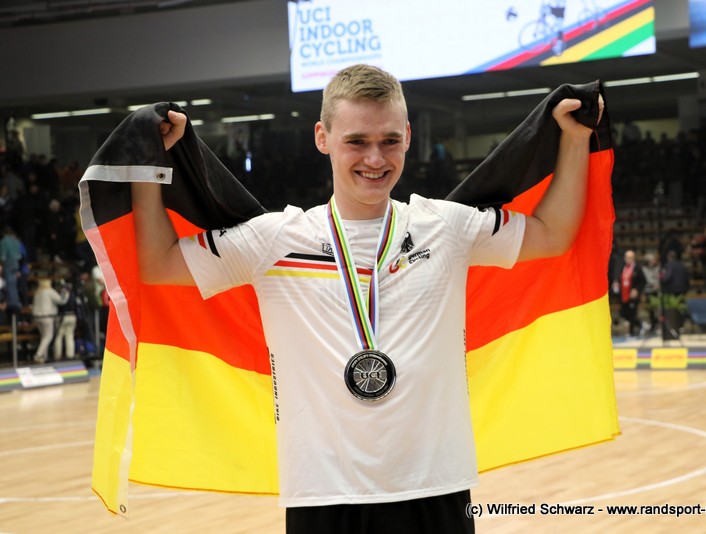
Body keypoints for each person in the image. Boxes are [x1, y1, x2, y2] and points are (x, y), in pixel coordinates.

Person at [131, 64, 602, 534]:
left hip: (436, 486)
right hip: (322, 494)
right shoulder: (273, 239)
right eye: (356, 141)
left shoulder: (447, 226)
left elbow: (552, 234)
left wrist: (575, 138)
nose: (375, 159)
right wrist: (147, 164)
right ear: (322, 138)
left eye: (389, 141)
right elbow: (160, 264)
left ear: (408, 137)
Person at [32, 277, 69, 364]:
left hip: (37, 317)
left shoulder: (37, 292)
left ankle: (44, 356)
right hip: (47, 316)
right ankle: (38, 355)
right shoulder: (49, 291)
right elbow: (61, 300)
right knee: (48, 336)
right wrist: (66, 293)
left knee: (44, 336)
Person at [612, 249, 646, 337]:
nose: (628, 259)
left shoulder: (637, 268)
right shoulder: (622, 267)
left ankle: (632, 331)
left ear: (633, 258)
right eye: (627, 257)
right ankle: (639, 325)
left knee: (632, 313)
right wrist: (616, 282)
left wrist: (636, 290)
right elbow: (619, 278)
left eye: (630, 257)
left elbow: (643, 281)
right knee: (623, 313)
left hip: (633, 295)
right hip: (624, 294)